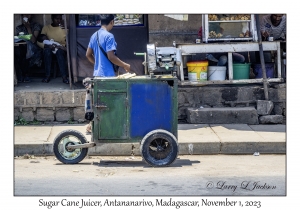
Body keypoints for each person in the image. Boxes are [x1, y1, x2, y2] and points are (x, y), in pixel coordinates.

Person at [85, 14, 131, 134]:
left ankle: (92, 126)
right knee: (110, 103)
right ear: (112, 22)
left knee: (99, 103)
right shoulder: (109, 36)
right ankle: (109, 129)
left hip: (97, 75)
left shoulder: (94, 35)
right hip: (108, 76)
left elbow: (88, 55)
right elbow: (111, 57)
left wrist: (98, 63)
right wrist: (124, 65)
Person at [37, 14, 69, 84]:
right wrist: (47, 46)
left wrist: (65, 29)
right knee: (47, 51)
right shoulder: (46, 28)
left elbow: (68, 41)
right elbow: (39, 41)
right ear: (52, 18)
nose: (59, 20)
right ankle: (47, 76)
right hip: (49, 47)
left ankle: (64, 77)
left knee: (59, 52)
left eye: (60, 19)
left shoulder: (64, 28)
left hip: (61, 48)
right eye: (57, 19)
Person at [14, 14, 42, 83]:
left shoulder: (36, 26)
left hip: (34, 48)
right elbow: (19, 40)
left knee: (25, 54)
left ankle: (25, 75)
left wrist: (28, 27)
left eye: (28, 15)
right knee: (18, 52)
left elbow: (33, 40)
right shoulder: (19, 28)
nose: (26, 16)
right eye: (24, 15)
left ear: (31, 16)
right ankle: (21, 75)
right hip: (22, 48)